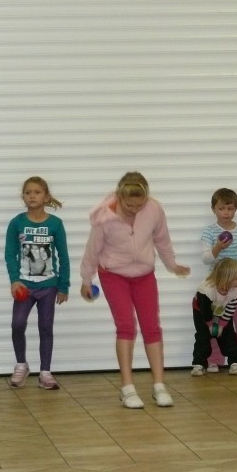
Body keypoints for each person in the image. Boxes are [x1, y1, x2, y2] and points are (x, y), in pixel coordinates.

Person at [80, 172, 190, 409]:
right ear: (119, 197)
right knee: (126, 326)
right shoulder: (104, 217)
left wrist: (172, 265)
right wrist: (86, 279)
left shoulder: (154, 209)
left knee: (152, 327)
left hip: (144, 275)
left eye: (139, 205)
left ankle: (159, 386)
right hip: (113, 274)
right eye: (129, 205)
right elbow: (92, 250)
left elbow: (162, 240)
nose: (134, 209)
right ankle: (127, 388)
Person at [4, 176, 70, 390]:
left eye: (37, 192)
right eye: (28, 192)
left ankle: (45, 372)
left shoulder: (55, 224)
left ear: (46, 196)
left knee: (45, 327)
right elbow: (10, 254)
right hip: (24, 286)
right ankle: (21, 365)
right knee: (17, 324)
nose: (32, 196)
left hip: (48, 285)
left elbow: (63, 256)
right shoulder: (17, 223)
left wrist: (63, 285)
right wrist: (14, 280)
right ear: (23, 197)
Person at [200, 188, 237, 372]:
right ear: (213, 209)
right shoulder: (209, 232)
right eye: (221, 208)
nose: (226, 212)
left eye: (230, 208)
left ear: (235, 209)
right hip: (217, 281)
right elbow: (206, 259)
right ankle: (214, 359)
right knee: (216, 320)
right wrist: (218, 247)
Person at [191, 258, 237, 376]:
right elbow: (205, 311)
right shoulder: (206, 289)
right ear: (227, 278)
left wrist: (221, 325)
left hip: (222, 309)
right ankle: (199, 364)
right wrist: (211, 325)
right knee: (203, 336)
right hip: (202, 311)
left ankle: (235, 362)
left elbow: (231, 308)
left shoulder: (235, 289)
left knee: (229, 335)